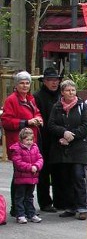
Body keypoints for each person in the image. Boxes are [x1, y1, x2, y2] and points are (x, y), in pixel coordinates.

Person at [1, 71, 43, 217]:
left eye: (27, 83)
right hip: (17, 144)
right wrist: (26, 122)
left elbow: (37, 112)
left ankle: (26, 208)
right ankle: (17, 208)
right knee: (19, 177)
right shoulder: (11, 100)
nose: (25, 86)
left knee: (28, 178)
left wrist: (38, 118)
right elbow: (6, 121)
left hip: (31, 144)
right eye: (22, 83)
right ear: (16, 85)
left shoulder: (30, 98)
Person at [48, 79, 87, 220]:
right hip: (63, 149)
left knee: (78, 176)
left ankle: (82, 207)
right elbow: (51, 125)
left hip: (79, 148)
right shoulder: (57, 107)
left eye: (73, 90)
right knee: (66, 178)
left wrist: (71, 136)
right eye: (67, 90)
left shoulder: (83, 106)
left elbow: (86, 125)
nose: (71, 92)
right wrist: (63, 133)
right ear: (62, 92)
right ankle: (70, 207)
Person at [33, 67, 62, 212]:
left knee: (59, 172)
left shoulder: (61, 96)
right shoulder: (37, 97)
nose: (54, 83)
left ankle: (60, 200)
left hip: (59, 139)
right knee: (43, 173)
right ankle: (44, 202)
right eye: (51, 80)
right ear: (44, 81)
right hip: (43, 139)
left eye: (56, 80)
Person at [10, 128, 43, 224]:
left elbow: (40, 158)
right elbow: (18, 163)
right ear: (21, 139)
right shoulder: (17, 149)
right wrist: (30, 167)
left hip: (32, 178)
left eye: (31, 139)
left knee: (29, 197)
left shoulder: (35, 147)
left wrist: (37, 166)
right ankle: (20, 214)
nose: (29, 142)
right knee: (20, 197)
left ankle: (31, 214)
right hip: (21, 178)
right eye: (27, 140)